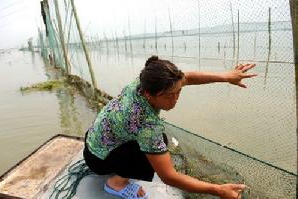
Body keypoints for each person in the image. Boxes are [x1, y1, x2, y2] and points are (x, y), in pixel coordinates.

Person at [83, 55, 257, 199]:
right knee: (155, 151)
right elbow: (168, 176)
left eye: (178, 92)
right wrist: (218, 190)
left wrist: (226, 77)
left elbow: (186, 78)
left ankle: (119, 168)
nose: (175, 100)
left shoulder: (144, 81)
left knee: (160, 143)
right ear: (149, 94)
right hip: (98, 159)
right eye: (168, 96)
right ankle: (116, 183)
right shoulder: (146, 123)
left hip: (95, 140)